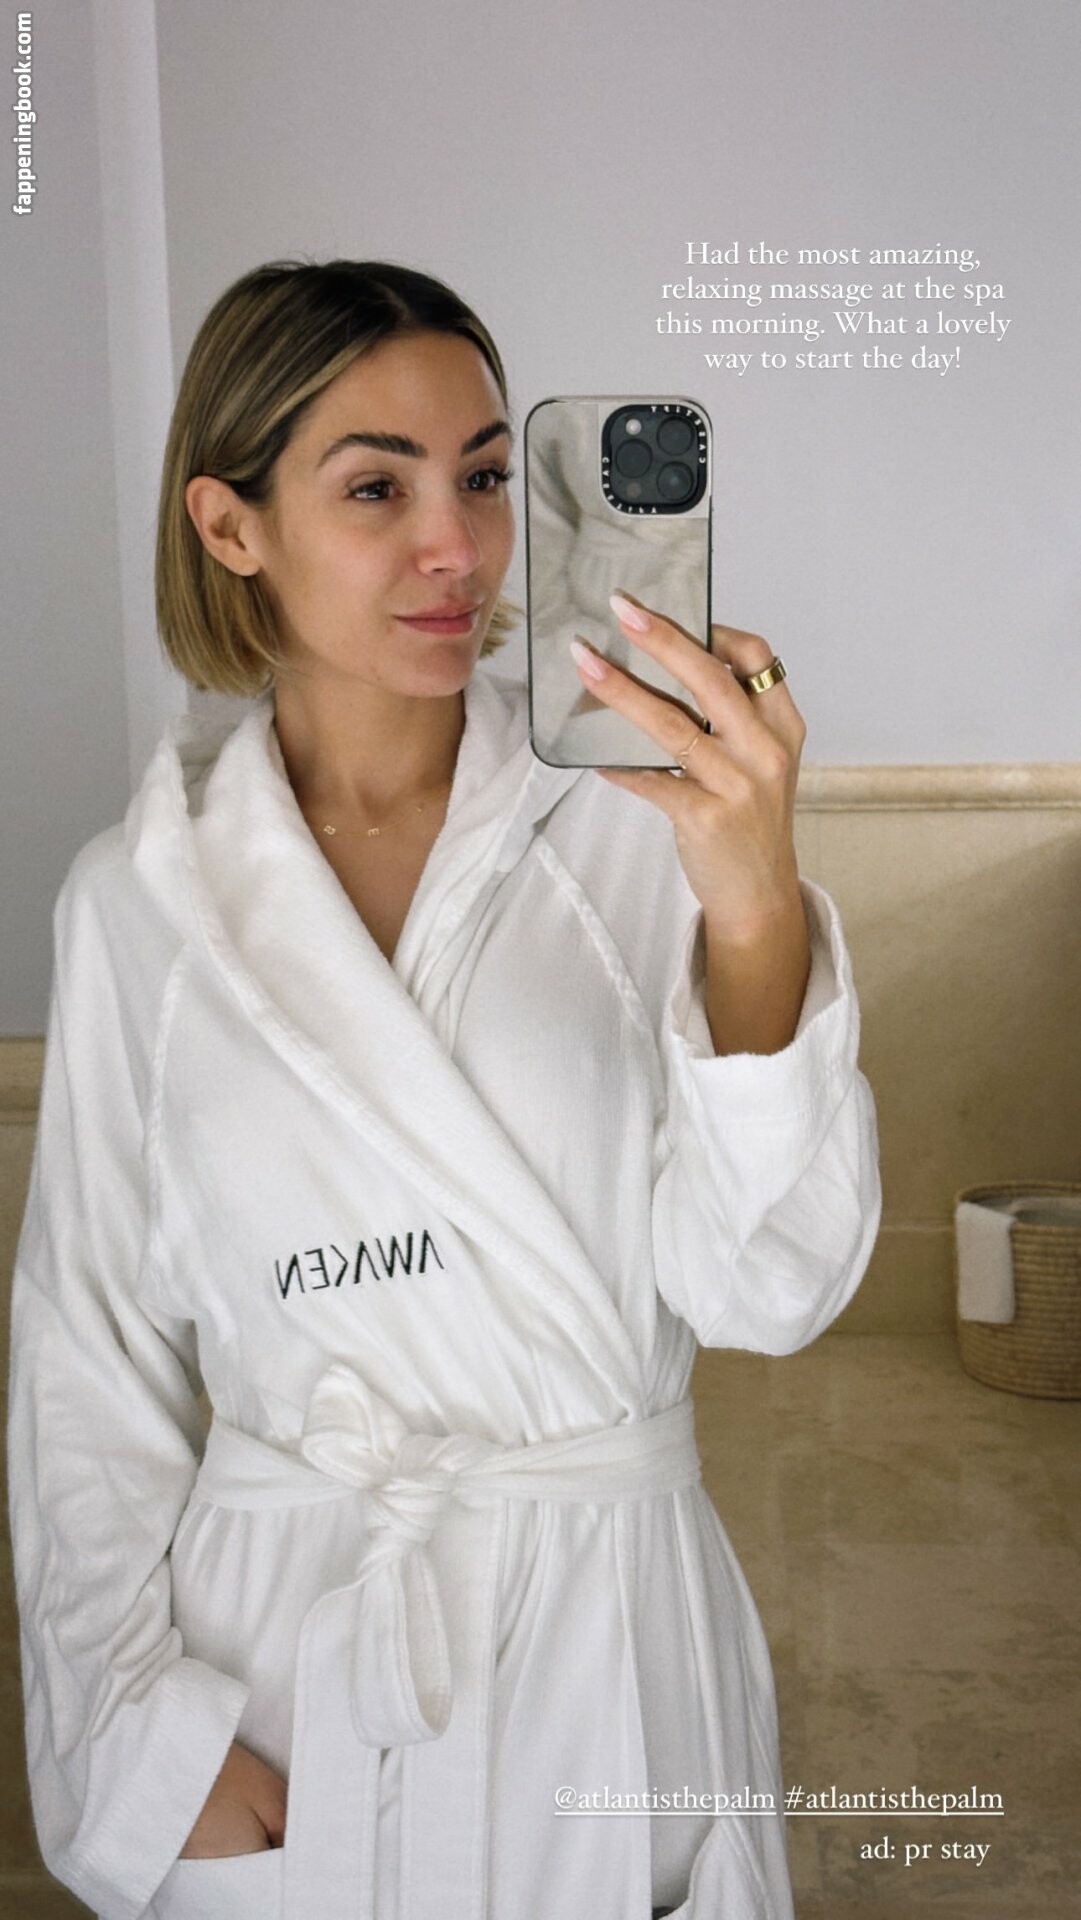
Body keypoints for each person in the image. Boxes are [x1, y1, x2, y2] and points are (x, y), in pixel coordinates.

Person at [5, 258, 881, 1920]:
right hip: (282, 1646)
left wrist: (754, 905)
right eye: (375, 488)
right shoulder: (140, 903)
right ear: (229, 524)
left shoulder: (638, 830)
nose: (458, 550)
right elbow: (87, 1362)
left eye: (485, 477)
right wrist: (135, 1741)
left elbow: (767, 1292)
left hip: (605, 1640)